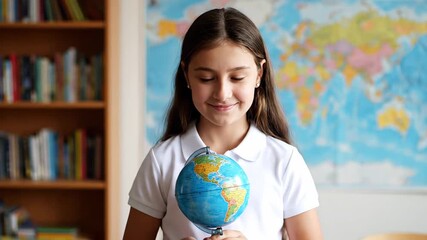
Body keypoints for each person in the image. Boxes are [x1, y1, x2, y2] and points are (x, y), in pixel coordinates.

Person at [123, 7, 323, 240]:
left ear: (259, 74)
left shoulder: (284, 161)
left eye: (237, 77)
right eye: (206, 78)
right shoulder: (163, 160)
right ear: (186, 75)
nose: (222, 93)